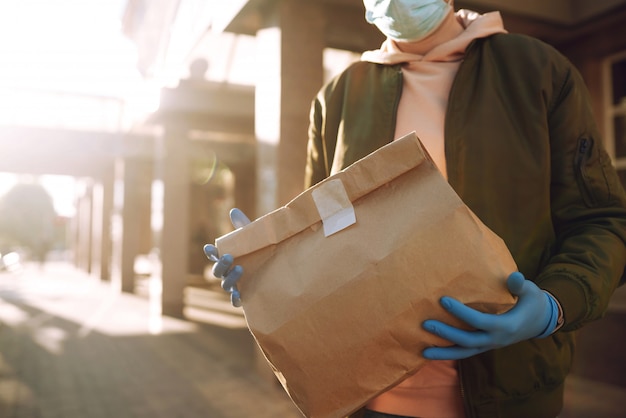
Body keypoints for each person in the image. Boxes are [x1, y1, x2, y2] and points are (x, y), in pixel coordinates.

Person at [205, 1, 626, 417]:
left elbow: (603, 221)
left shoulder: (537, 72)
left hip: (508, 395)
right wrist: (273, 267)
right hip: (366, 398)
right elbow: (329, 236)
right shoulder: (340, 95)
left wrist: (554, 304)